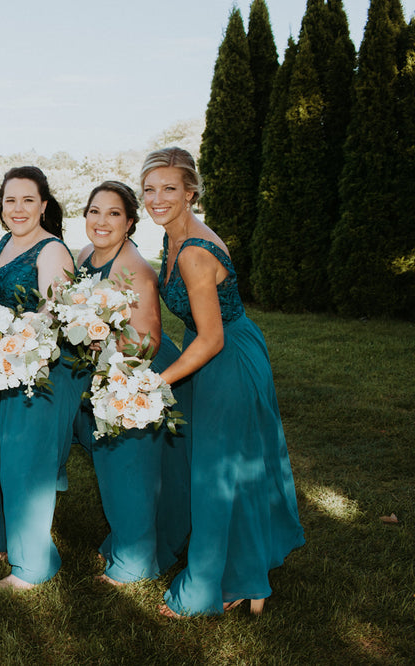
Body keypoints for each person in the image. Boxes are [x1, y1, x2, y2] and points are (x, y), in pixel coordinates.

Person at [142, 147, 304, 617]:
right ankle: (248, 575)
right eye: (149, 189)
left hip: (225, 357)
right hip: (219, 351)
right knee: (232, 465)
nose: (157, 198)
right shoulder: (174, 237)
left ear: (190, 191)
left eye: (169, 189)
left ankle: (216, 588)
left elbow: (210, 338)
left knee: (217, 473)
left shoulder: (193, 252)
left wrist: (158, 383)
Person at [73, 181, 190, 586]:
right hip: (105, 367)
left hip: (135, 375)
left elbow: (149, 340)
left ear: (130, 223)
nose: (101, 221)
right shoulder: (86, 254)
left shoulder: (135, 272)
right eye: (94, 211)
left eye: (114, 214)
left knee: (129, 470)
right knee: (114, 466)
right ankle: (129, 542)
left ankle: (135, 562)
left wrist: (117, 382)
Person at [0, 166, 85, 589]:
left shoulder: (51, 250)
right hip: (6, 366)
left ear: (44, 204)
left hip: (40, 370)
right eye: (10, 200)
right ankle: (8, 540)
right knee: (7, 459)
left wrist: (10, 341)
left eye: (27, 200)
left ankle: (34, 566)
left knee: (27, 465)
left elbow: (53, 316)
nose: (17, 209)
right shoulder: (6, 241)